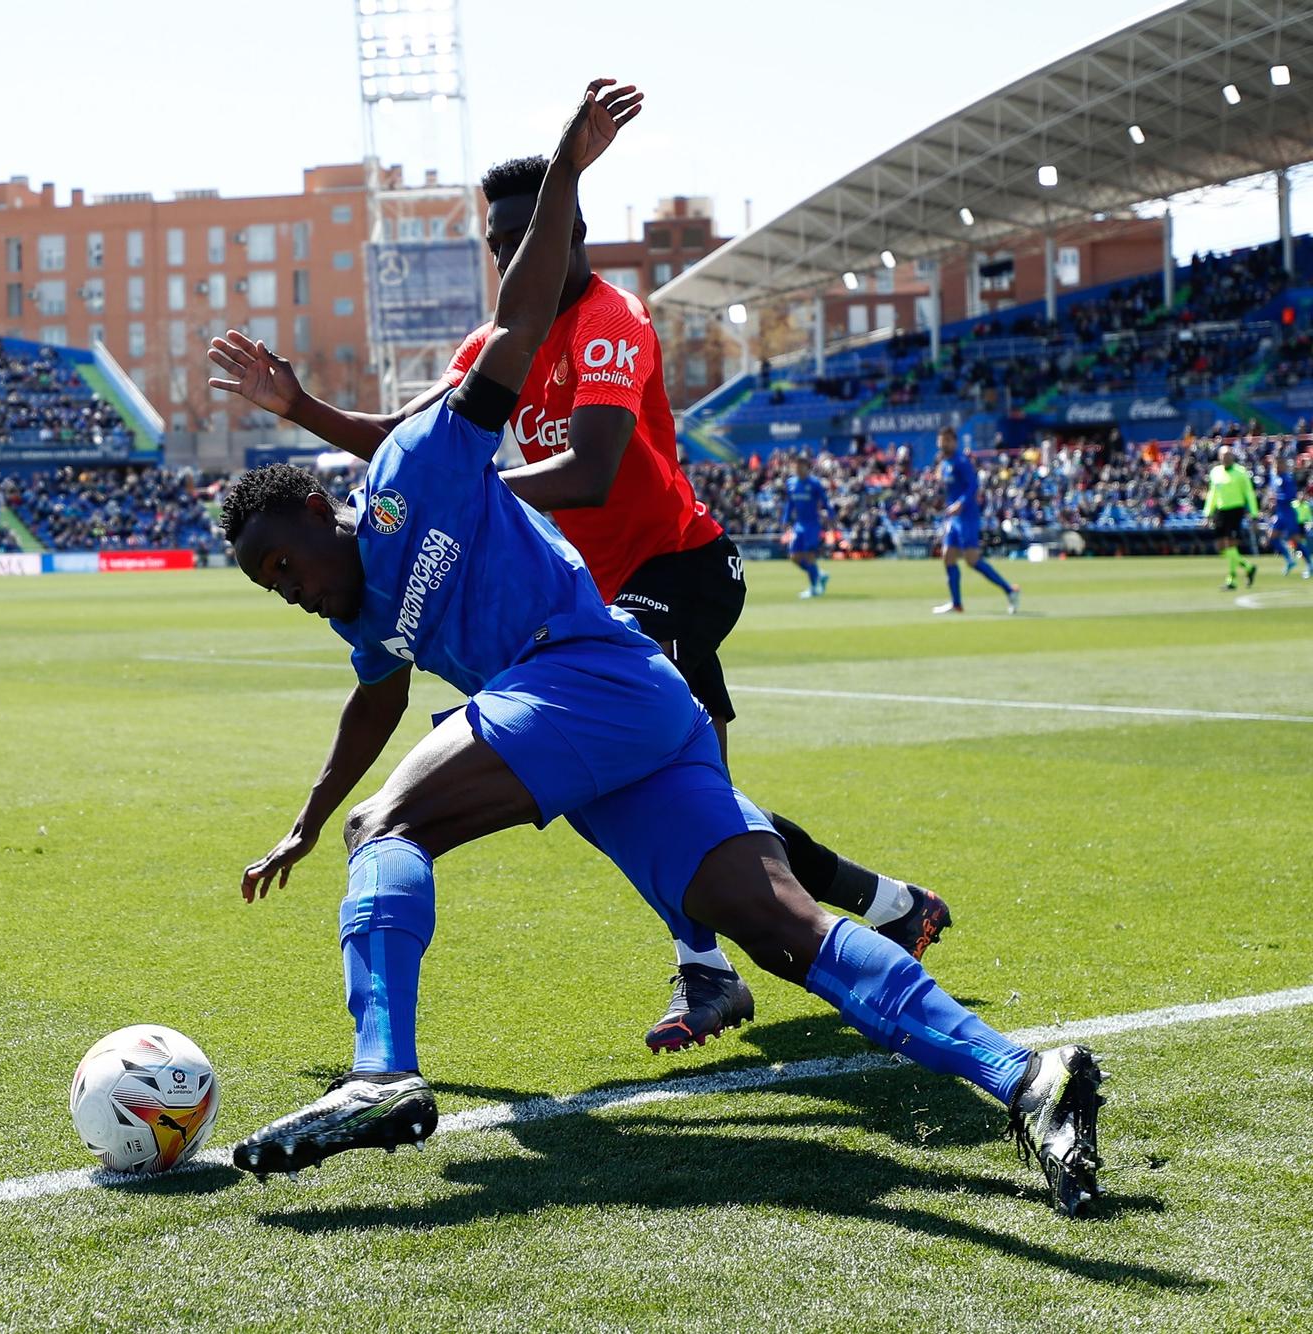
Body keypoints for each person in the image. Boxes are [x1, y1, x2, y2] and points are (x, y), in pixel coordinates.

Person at [219, 83, 1104, 1216]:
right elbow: (372, 698)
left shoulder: (417, 469)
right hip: (631, 719)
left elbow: (524, 314)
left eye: (282, 562)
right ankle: (1027, 1074)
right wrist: (300, 813)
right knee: (782, 930)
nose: (288, 591)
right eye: (268, 586)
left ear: (318, 511)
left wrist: (568, 169)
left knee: (387, 826)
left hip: (590, 667)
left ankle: (382, 1071)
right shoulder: (361, 609)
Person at [210, 153, 948, 1057]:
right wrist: (300, 406)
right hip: (585, 604)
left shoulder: (612, 319)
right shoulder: (485, 351)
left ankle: (707, 969)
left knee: (681, 797)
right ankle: (886, 903)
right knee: (693, 802)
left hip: (678, 563)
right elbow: (408, 439)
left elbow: (591, 473)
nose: (514, 252)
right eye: (499, 242)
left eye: (530, 233)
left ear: (572, 232)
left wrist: (463, 501)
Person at [933, 428, 1019, 615]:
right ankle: (956, 604)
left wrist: (960, 503)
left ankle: (1010, 590)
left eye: (946, 441)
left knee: (972, 560)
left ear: (954, 442)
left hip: (967, 517)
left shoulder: (962, 461)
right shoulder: (945, 462)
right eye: (940, 441)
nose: (942, 444)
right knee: (947, 556)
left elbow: (973, 485)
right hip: (953, 518)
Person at [1203, 444, 1260, 590]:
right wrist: (1207, 513)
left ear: (1233, 456)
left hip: (1235, 511)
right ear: (1219, 457)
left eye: (1228, 455)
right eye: (1223, 455)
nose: (1226, 458)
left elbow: (1249, 494)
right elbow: (1213, 494)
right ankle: (1248, 567)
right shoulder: (1215, 472)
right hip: (1221, 512)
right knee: (1221, 546)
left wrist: (1254, 515)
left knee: (1231, 544)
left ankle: (1231, 580)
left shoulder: (1240, 473)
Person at [783, 453, 831, 598]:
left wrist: (831, 516)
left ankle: (814, 587)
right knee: (794, 557)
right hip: (799, 525)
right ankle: (819, 574)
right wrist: (785, 519)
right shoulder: (791, 483)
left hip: (812, 525)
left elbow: (825, 501)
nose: (797, 468)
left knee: (810, 556)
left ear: (806, 467)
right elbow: (790, 503)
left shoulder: (814, 483)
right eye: (795, 466)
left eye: (800, 466)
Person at [1261, 452, 1311, 579]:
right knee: (1272, 536)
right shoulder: (1274, 477)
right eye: (1276, 464)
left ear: (1284, 465)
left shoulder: (1287, 479)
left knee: (1295, 540)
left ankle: (1310, 565)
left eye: (1280, 464)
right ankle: (1290, 560)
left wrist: (1276, 498)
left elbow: (1291, 496)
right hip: (1280, 513)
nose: (1277, 467)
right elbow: (1272, 492)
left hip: (1288, 513)